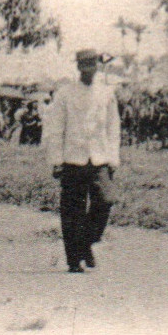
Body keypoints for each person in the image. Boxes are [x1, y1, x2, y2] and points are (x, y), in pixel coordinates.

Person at [43, 49, 121, 273]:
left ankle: (85, 243)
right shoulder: (65, 93)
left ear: (97, 66)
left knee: (106, 200)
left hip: (99, 158)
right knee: (72, 211)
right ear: (77, 67)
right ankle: (74, 260)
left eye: (92, 65)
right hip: (72, 159)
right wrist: (56, 160)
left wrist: (113, 158)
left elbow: (113, 128)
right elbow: (56, 129)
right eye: (83, 65)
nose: (88, 69)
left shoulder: (107, 93)